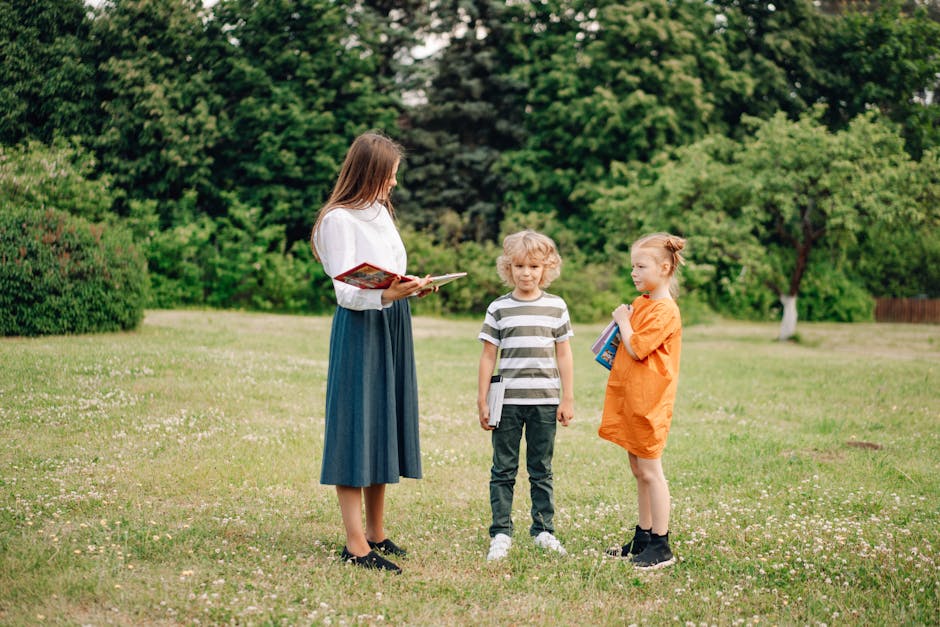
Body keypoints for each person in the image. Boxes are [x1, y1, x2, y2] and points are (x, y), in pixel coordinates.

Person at [310, 131, 433, 574]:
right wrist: (387, 296)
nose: (394, 184)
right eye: (390, 175)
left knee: (384, 422)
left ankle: (378, 531)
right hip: (361, 325)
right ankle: (355, 542)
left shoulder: (379, 212)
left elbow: (386, 273)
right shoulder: (338, 220)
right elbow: (346, 288)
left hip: (391, 322)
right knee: (355, 423)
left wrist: (408, 287)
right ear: (370, 172)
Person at [477, 230, 575, 561]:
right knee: (503, 469)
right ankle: (501, 532)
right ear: (508, 268)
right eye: (519, 266)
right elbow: (488, 355)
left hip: (545, 401)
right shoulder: (499, 308)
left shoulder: (556, 307)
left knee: (541, 468)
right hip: (506, 402)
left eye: (533, 266)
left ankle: (544, 530)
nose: (526, 273)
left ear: (546, 268)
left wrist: (568, 398)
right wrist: (482, 398)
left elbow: (564, 355)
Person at [598, 232, 686, 569]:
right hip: (633, 398)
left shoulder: (665, 311)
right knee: (637, 468)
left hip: (651, 402)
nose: (634, 273)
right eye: (632, 266)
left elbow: (636, 347)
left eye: (641, 266)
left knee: (651, 471)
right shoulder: (644, 303)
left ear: (664, 268)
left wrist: (622, 321)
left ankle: (662, 545)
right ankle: (644, 535)